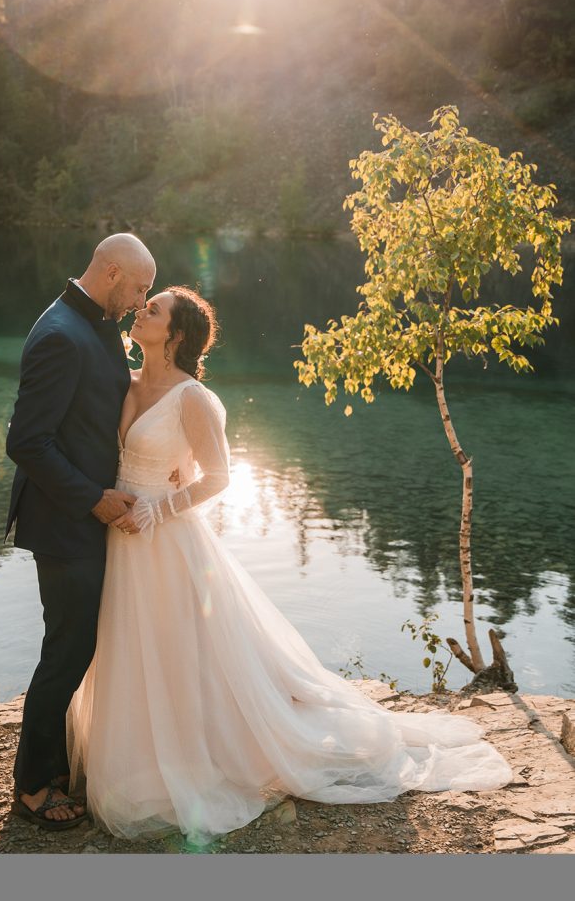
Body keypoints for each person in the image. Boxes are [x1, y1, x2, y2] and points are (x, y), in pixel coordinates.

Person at [67, 287, 513, 845]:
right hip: (121, 538)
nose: (141, 311)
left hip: (164, 538)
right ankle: (137, 751)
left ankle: (200, 755)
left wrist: (159, 506)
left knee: (180, 649)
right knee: (134, 647)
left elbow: (219, 476)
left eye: (152, 309)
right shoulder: (126, 383)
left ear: (176, 335)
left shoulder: (192, 399)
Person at [6, 233, 156, 829]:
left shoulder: (92, 322)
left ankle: (58, 764)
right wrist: (94, 499)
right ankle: (35, 785)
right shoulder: (60, 335)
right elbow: (27, 442)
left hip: (88, 519)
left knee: (78, 645)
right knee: (67, 650)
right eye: (140, 287)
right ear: (112, 271)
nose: (143, 300)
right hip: (64, 521)